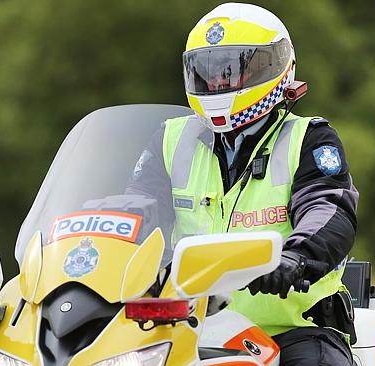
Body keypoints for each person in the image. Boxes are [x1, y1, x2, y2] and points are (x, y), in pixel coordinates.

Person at [127, 3, 359, 365]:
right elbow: (135, 214)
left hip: (291, 329)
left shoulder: (308, 138)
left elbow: (328, 210)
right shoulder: (171, 139)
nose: (219, 81)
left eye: (234, 68)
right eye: (208, 70)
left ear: (274, 65)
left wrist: (293, 259)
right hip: (190, 327)